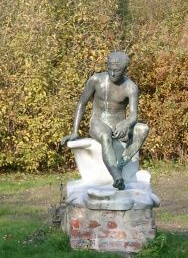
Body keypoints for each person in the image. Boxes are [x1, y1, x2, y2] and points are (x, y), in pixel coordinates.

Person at [61, 51, 149, 190]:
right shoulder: (96, 80)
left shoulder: (130, 87)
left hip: (119, 126)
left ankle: (119, 165)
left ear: (125, 70)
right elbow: (81, 103)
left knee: (143, 129)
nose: (112, 74)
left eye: (117, 71)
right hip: (98, 123)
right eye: (110, 69)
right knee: (105, 135)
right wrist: (74, 132)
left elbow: (133, 115)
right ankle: (117, 177)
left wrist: (126, 124)